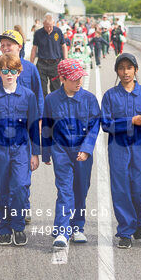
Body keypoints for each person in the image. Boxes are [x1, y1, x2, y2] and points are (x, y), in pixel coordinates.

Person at [0, 54, 41, 246]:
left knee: (21, 187)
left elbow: (33, 126)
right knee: (3, 191)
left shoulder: (28, 96)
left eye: (13, 71)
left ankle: (19, 226)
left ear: (19, 73)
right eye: (5, 71)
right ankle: (5, 228)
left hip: (22, 150)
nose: (9, 74)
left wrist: (35, 153)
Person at [42, 59, 101, 248]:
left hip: (82, 150)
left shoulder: (89, 99)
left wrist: (86, 149)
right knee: (65, 190)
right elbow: (47, 127)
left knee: (81, 190)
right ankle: (62, 230)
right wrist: (45, 153)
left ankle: (78, 227)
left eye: (80, 78)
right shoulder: (51, 100)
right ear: (62, 79)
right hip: (61, 150)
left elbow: (94, 126)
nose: (79, 82)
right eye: (74, 79)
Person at [0, 28, 44, 224]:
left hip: (24, 128)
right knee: (5, 181)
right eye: (2, 45)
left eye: (8, 45)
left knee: (22, 176)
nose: (5, 48)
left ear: (19, 46)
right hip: (3, 130)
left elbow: (38, 96)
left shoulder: (30, 69)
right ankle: (10, 216)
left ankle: (23, 207)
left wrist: (40, 121)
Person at [100, 54, 141, 249]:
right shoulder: (110, 95)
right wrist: (129, 121)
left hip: (139, 145)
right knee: (121, 188)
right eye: (121, 68)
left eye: (129, 68)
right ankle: (125, 231)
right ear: (117, 71)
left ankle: (139, 218)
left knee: (139, 188)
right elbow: (106, 124)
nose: (125, 72)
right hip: (118, 146)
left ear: (136, 70)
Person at [30, 13, 68, 96]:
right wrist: (31, 64)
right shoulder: (38, 33)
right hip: (42, 64)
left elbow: (64, 46)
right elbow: (34, 49)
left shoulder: (58, 31)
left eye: (51, 26)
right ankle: (44, 107)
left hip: (55, 64)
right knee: (42, 90)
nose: (49, 28)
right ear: (43, 24)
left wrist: (65, 60)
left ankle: (54, 107)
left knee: (55, 89)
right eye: (47, 26)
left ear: (53, 23)